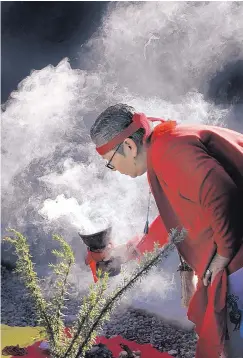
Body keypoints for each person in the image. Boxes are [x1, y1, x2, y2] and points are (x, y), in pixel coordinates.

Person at [89, 103, 243, 358]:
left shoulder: (171, 150)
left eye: (111, 162)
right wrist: (132, 252)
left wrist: (224, 253)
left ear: (128, 146)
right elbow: (177, 217)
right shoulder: (164, 144)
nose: (115, 171)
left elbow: (222, 194)